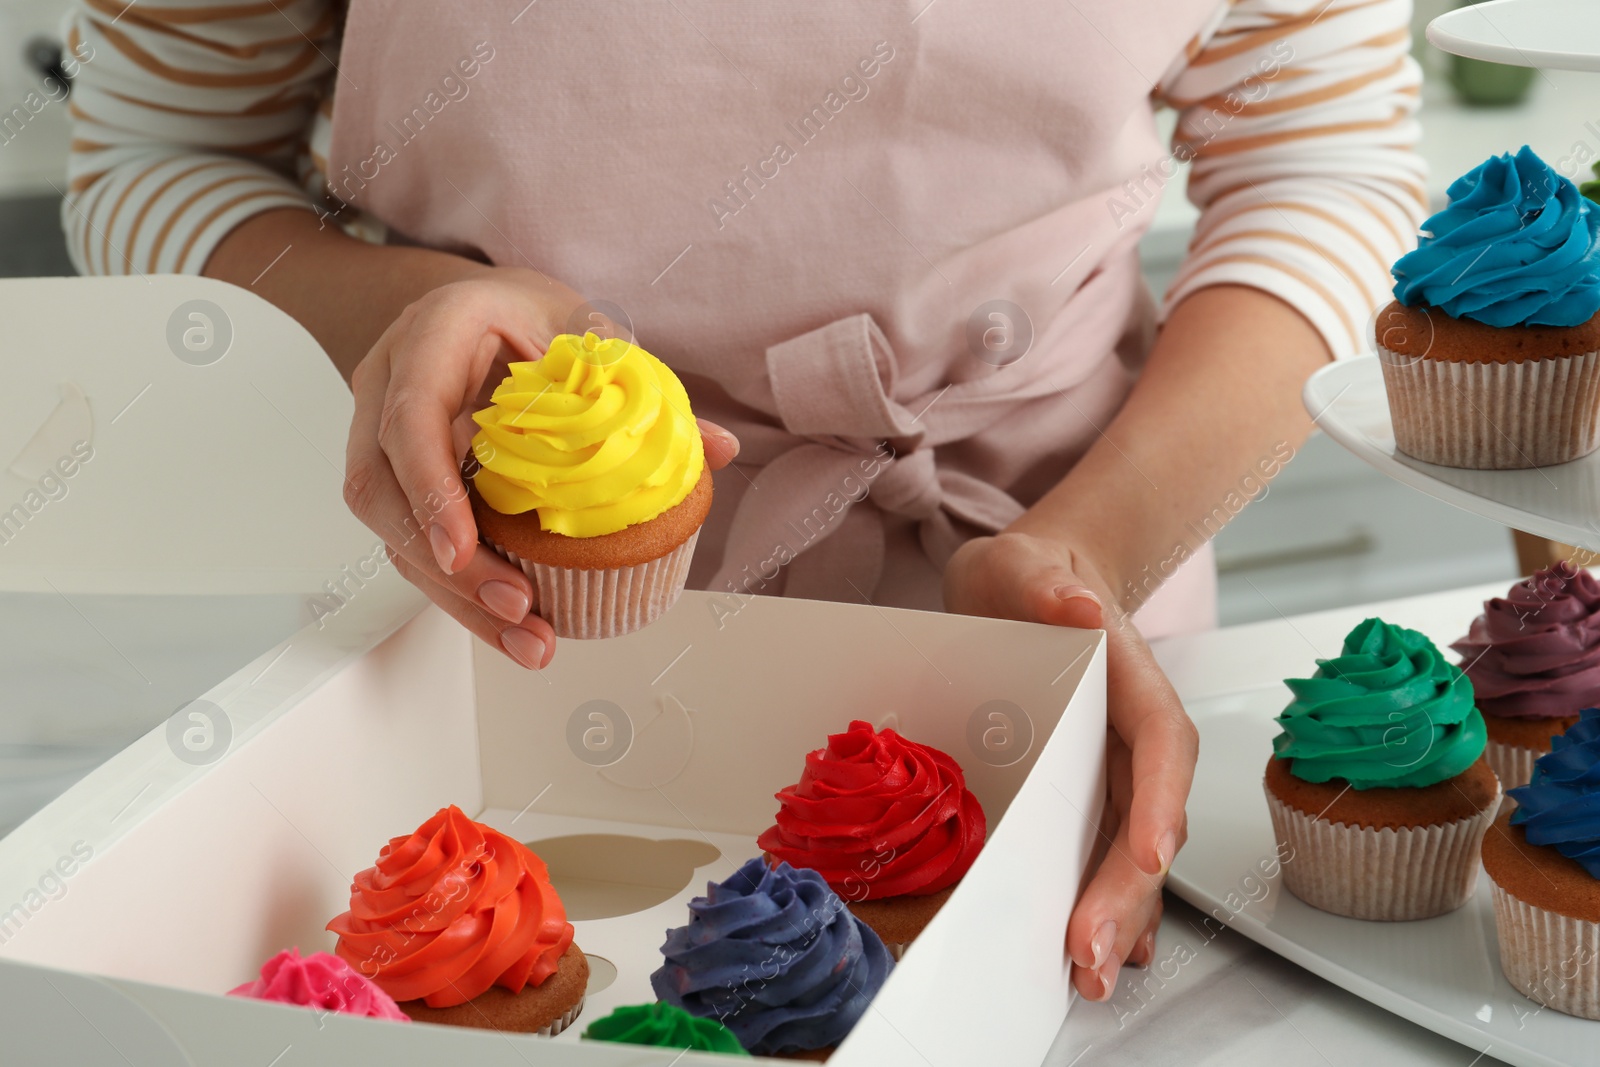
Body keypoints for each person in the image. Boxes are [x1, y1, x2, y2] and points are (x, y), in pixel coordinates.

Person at [62, 0, 1426, 1004]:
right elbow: (149, 154)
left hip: (1057, 605)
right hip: (484, 652)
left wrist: (1094, 548)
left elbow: (1329, 161)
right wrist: (424, 309)